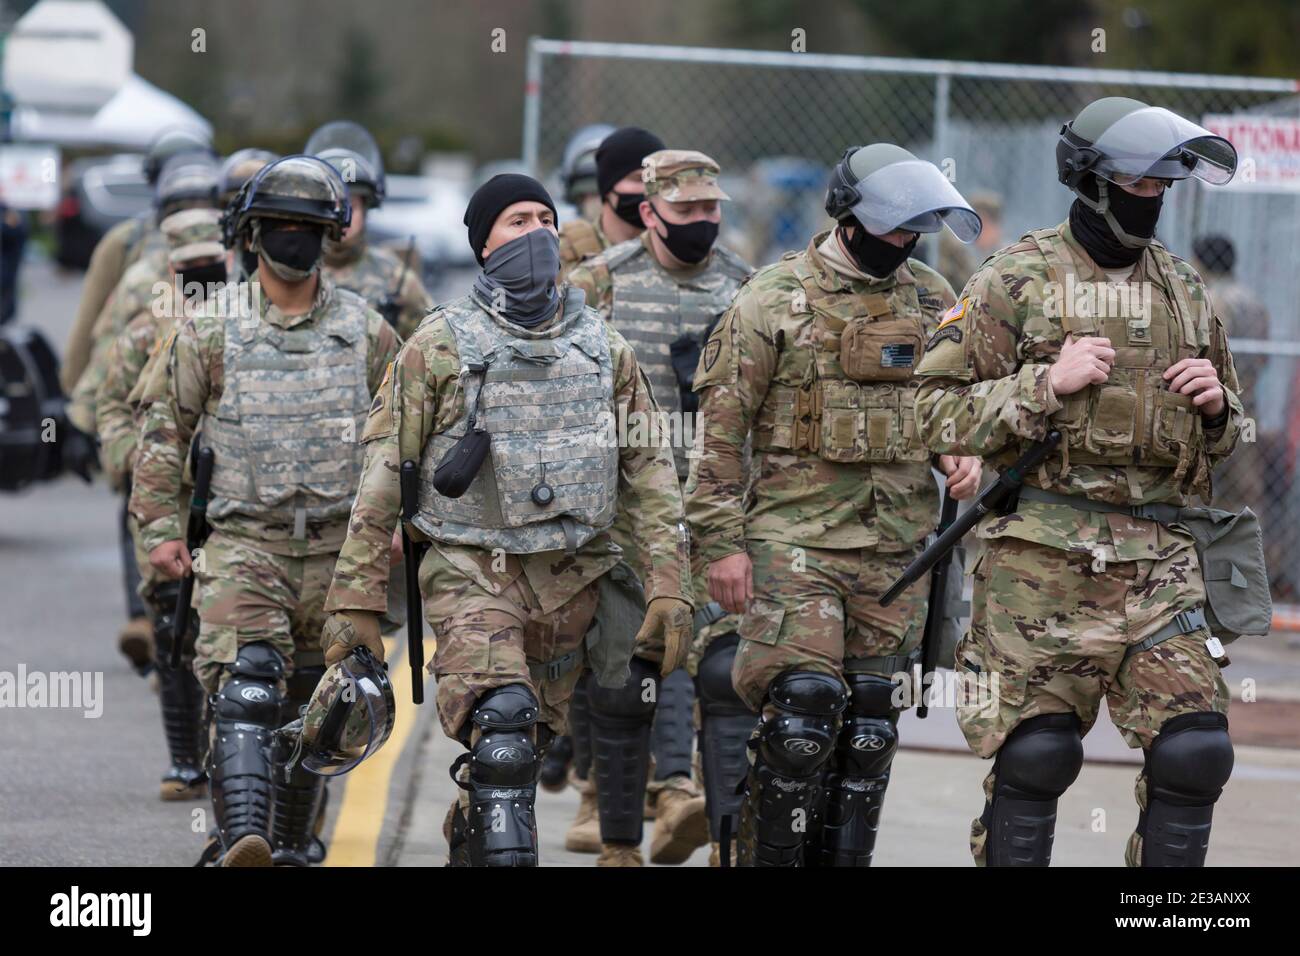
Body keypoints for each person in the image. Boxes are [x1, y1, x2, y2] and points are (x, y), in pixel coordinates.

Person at [319, 172, 695, 867]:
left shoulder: (604, 350)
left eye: (545, 219)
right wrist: (356, 598)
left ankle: (476, 822)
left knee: (519, 760)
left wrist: (670, 585)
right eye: (516, 221)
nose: (537, 233)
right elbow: (381, 478)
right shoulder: (437, 346)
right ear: (483, 243)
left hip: (571, 585)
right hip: (470, 572)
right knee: (503, 730)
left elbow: (650, 475)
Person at [914, 97, 1245, 866]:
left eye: (1167, 184)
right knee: (1038, 757)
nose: (1155, 198)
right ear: (1092, 181)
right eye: (1140, 181)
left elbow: (1228, 436)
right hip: (1042, 564)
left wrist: (1217, 406)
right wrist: (1043, 386)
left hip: (1160, 560)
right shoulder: (1017, 278)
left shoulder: (1184, 288)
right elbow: (929, 412)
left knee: (1195, 754)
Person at [686, 143, 984, 866]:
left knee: (869, 731)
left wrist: (961, 448)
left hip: (898, 551)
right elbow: (721, 434)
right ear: (848, 218)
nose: (905, 242)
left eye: (916, 229)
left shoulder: (931, 297)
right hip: (796, 545)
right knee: (804, 717)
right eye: (892, 227)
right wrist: (720, 544)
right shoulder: (770, 299)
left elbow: (954, 399)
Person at [130, 155, 401, 866]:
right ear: (251, 235)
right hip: (246, 543)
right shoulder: (210, 329)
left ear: (329, 236)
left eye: (308, 227)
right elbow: (163, 430)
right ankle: (242, 838)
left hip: (341, 552)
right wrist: (161, 531)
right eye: (279, 226)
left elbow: (406, 439)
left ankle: (287, 843)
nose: (293, 239)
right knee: (248, 686)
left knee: (319, 707)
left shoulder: (367, 333)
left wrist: (401, 530)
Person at [567, 148, 752, 866]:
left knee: (724, 679)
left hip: (715, 513)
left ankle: (721, 833)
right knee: (623, 681)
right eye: (686, 211)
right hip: (623, 519)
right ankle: (619, 841)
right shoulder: (598, 284)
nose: (703, 222)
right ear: (648, 212)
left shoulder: (746, 290)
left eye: (712, 209)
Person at [68, 154, 221, 675]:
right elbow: (101, 347)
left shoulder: (248, 303)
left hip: (231, 487)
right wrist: (122, 452)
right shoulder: (140, 285)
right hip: (159, 467)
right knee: (167, 598)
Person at [96, 208, 228, 800]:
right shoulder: (146, 333)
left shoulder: (245, 324)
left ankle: (236, 759)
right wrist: (135, 458)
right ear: (171, 269)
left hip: (232, 506)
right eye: (192, 268)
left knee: (232, 630)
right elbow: (112, 407)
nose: (204, 277)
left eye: (213, 266)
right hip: (166, 503)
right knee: (174, 627)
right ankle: (185, 761)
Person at [61, 127, 215, 392]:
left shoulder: (126, 239)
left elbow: (88, 325)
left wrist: (73, 395)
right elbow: (90, 322)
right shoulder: (126, 240)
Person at [306, 121, 432, 339]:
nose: (341, 217)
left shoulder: (396, 279)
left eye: (350, 207)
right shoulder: (294, 271)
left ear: (366, 210)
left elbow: (433, 347)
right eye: (331, 205)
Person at [558, 126, 664, 280]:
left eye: (656, 180)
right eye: (638, 179)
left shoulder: (673, 253)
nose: (648, 189)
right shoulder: (563, 255)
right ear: (608, 185)